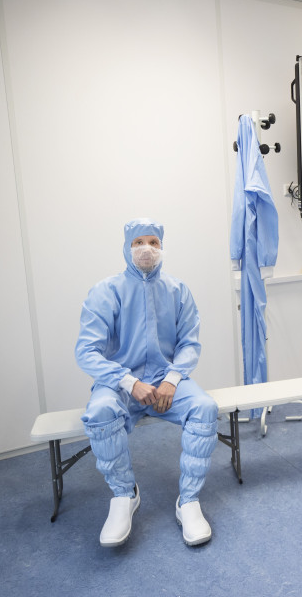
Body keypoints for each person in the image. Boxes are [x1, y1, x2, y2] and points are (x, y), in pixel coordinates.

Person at [76, 218, 219, 548]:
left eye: (154, 242)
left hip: (165, 381)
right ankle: (124, 495)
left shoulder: (177, 290)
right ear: (127, 247)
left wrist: (172, 379)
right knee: (100, 412)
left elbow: (189, 343)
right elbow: (86, 351)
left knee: (204, 407)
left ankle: (189, 501)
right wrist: (127, 381)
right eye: (139, 242)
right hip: (119, 383)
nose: (147, 249)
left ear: (162, 247)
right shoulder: (106, 291)